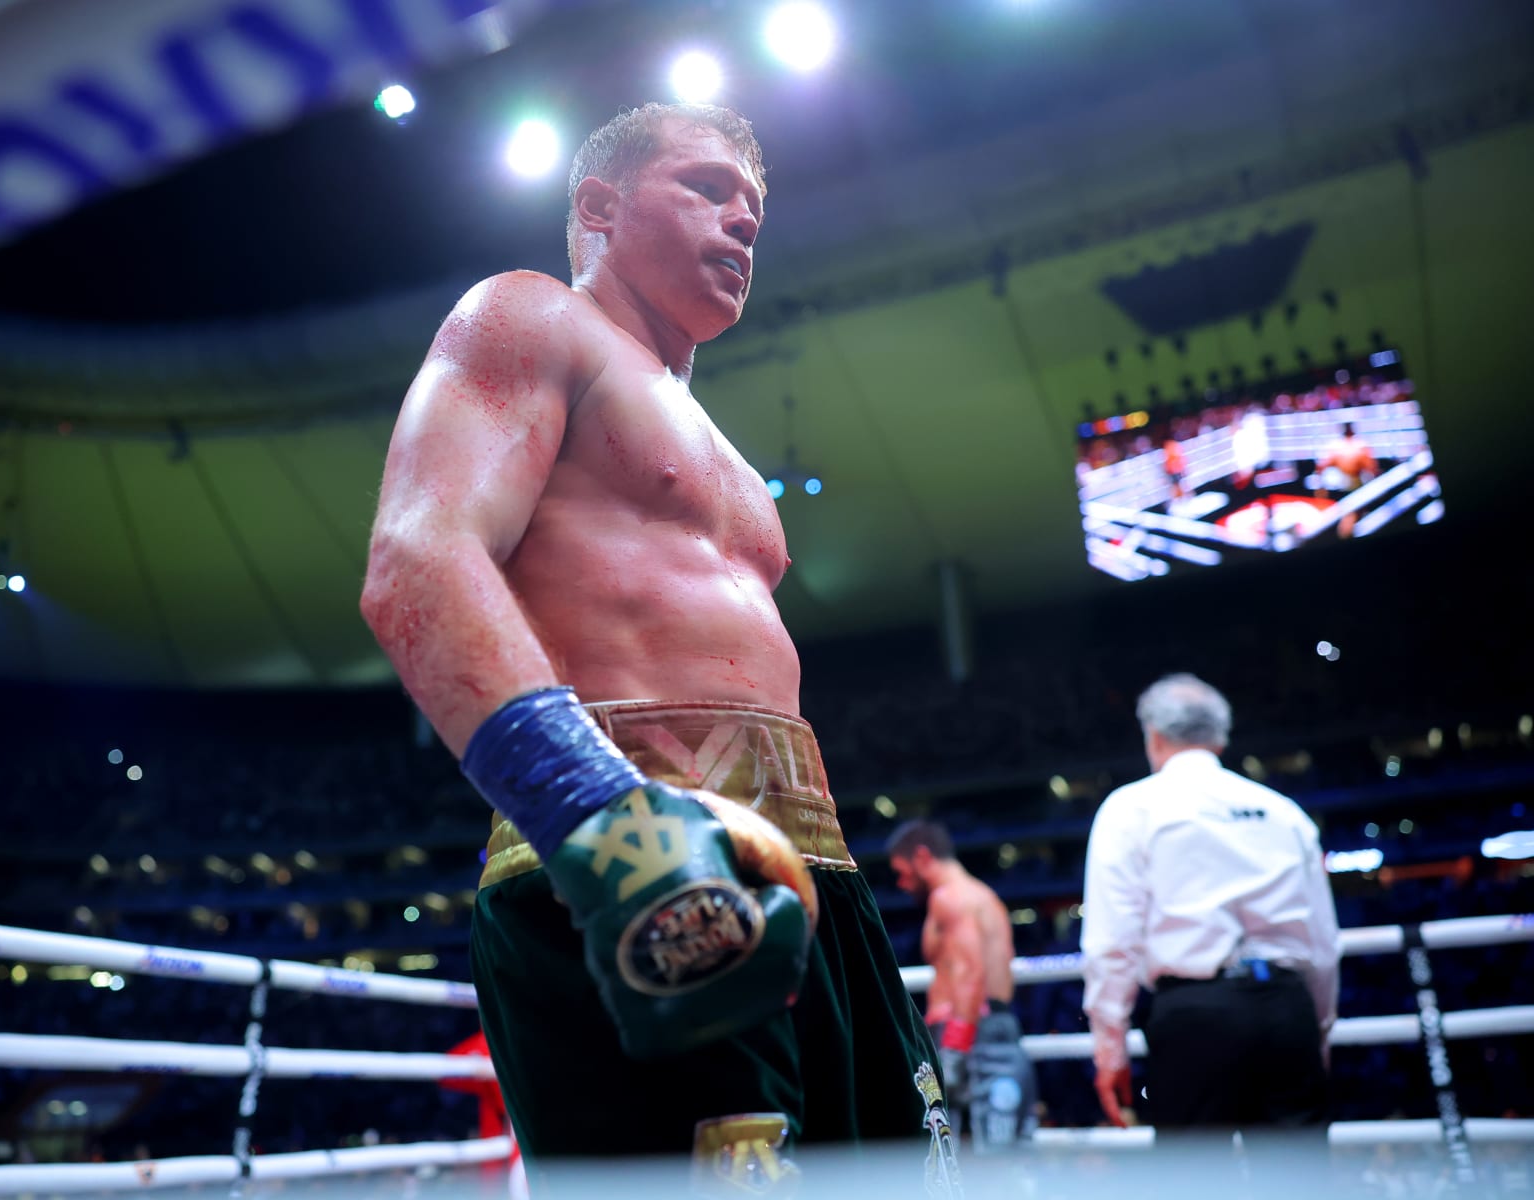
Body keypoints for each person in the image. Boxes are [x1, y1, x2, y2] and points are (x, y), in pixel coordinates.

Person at [361, 102, 952, 1194]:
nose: (742, 225)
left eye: (756, 212)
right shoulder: (531, 317)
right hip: (623, 865)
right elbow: (418, 557)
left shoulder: (707, 433)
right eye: (707, 189)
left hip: (809, 876)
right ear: (599, 206)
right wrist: (604, 828)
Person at [1080, 674, 1339, 1167]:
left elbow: (1113, 940)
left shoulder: (1131, 807)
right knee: (1300, 1184)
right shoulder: (1283, 812)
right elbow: (1324, 944)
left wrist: (1109, 1047)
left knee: (1193, 1181)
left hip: (1195, 1012)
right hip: (1286, 1009)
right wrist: (1317, 1030)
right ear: (1219, 737)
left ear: (1153, 736)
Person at [886, 820, 1039, 1152]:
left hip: (970, 1037)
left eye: (902, 871)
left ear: (922, 857)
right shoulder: (983, 895)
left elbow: (970, 973)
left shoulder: (949, 898)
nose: (901, 883)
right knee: (1001, 1160)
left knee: (971, 1162)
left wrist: (954, 1049)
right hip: (993, 1032)